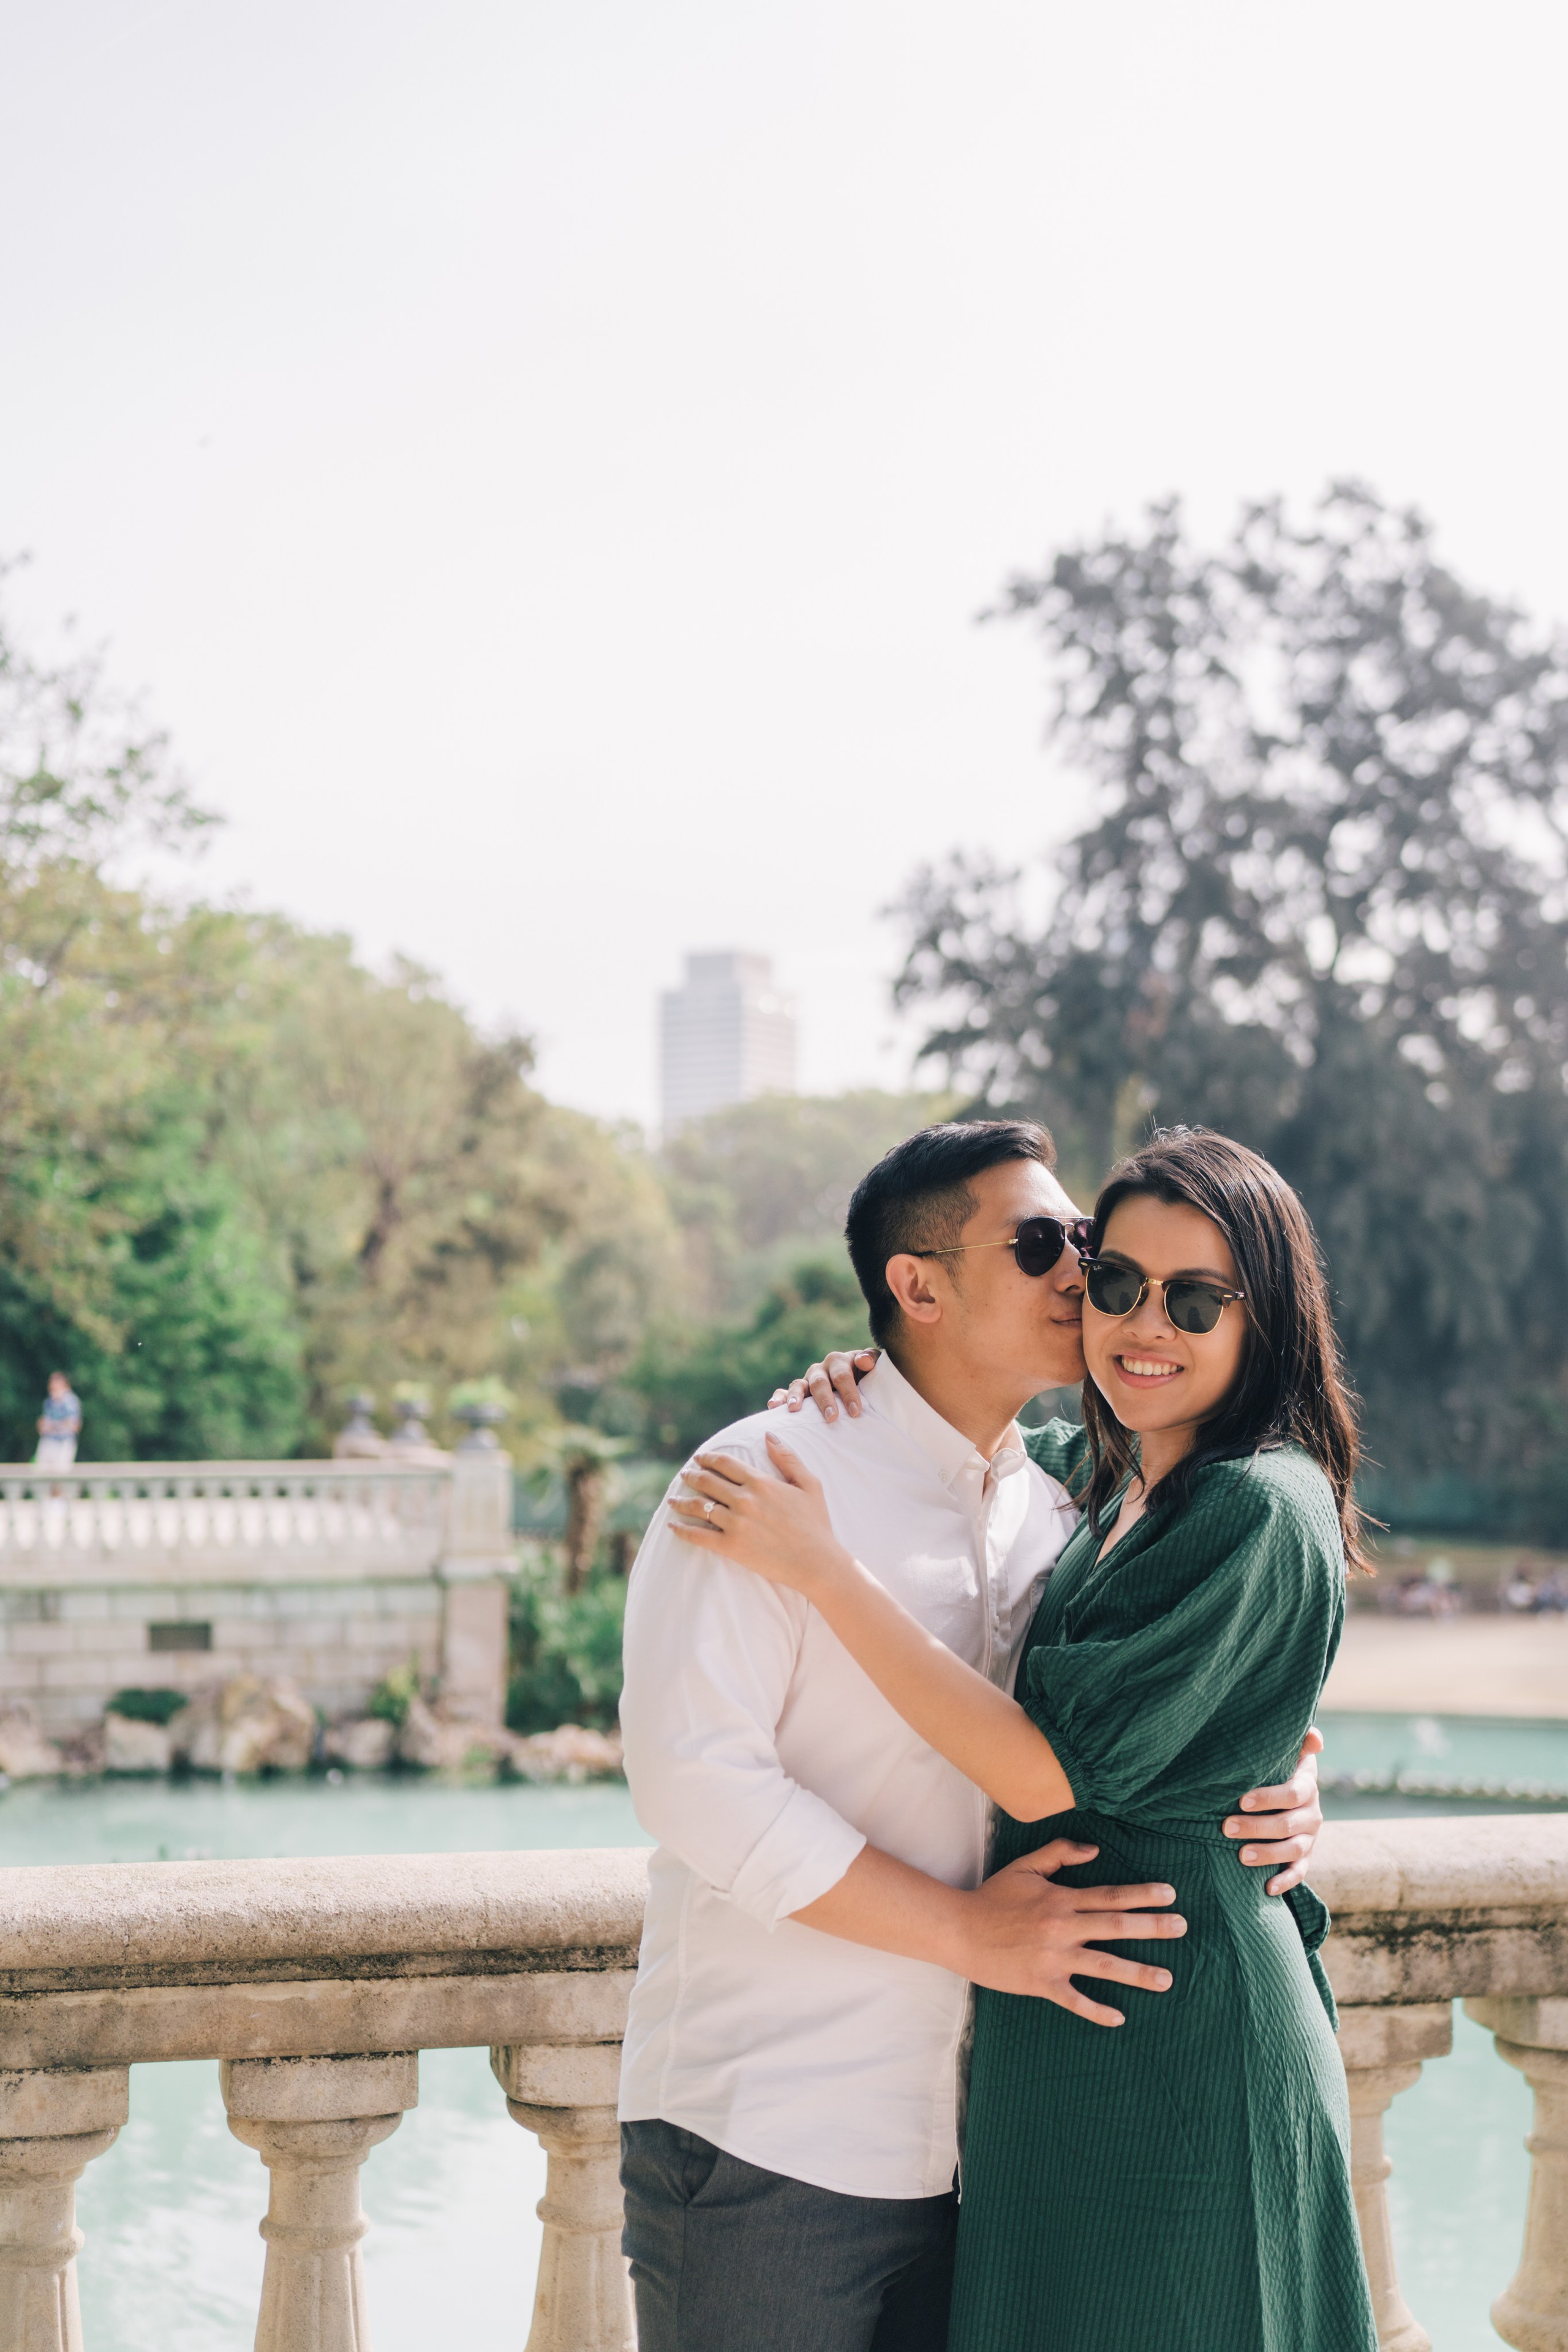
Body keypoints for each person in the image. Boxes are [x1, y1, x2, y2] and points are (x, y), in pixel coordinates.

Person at [618, 1120, 1325, 2352]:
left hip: (996, 2145)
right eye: (1051, 1248)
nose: (1086, 1284)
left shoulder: (1060, 1499)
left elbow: (1192, 1666)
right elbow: (696, 1786)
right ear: (918, 1285)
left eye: (1089, 1251)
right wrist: (966, 1935)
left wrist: (1287, 1775)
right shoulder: (764, 1480)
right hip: (778, 2134)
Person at [34, 1371, 81, 1471]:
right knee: (42, 1472)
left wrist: (54, 1425)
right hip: (49, 1441)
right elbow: (43, 1425)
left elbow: (74, 1425)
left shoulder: (70, 1401)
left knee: (60, 1474)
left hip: (63, 1442)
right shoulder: (49, 1402)